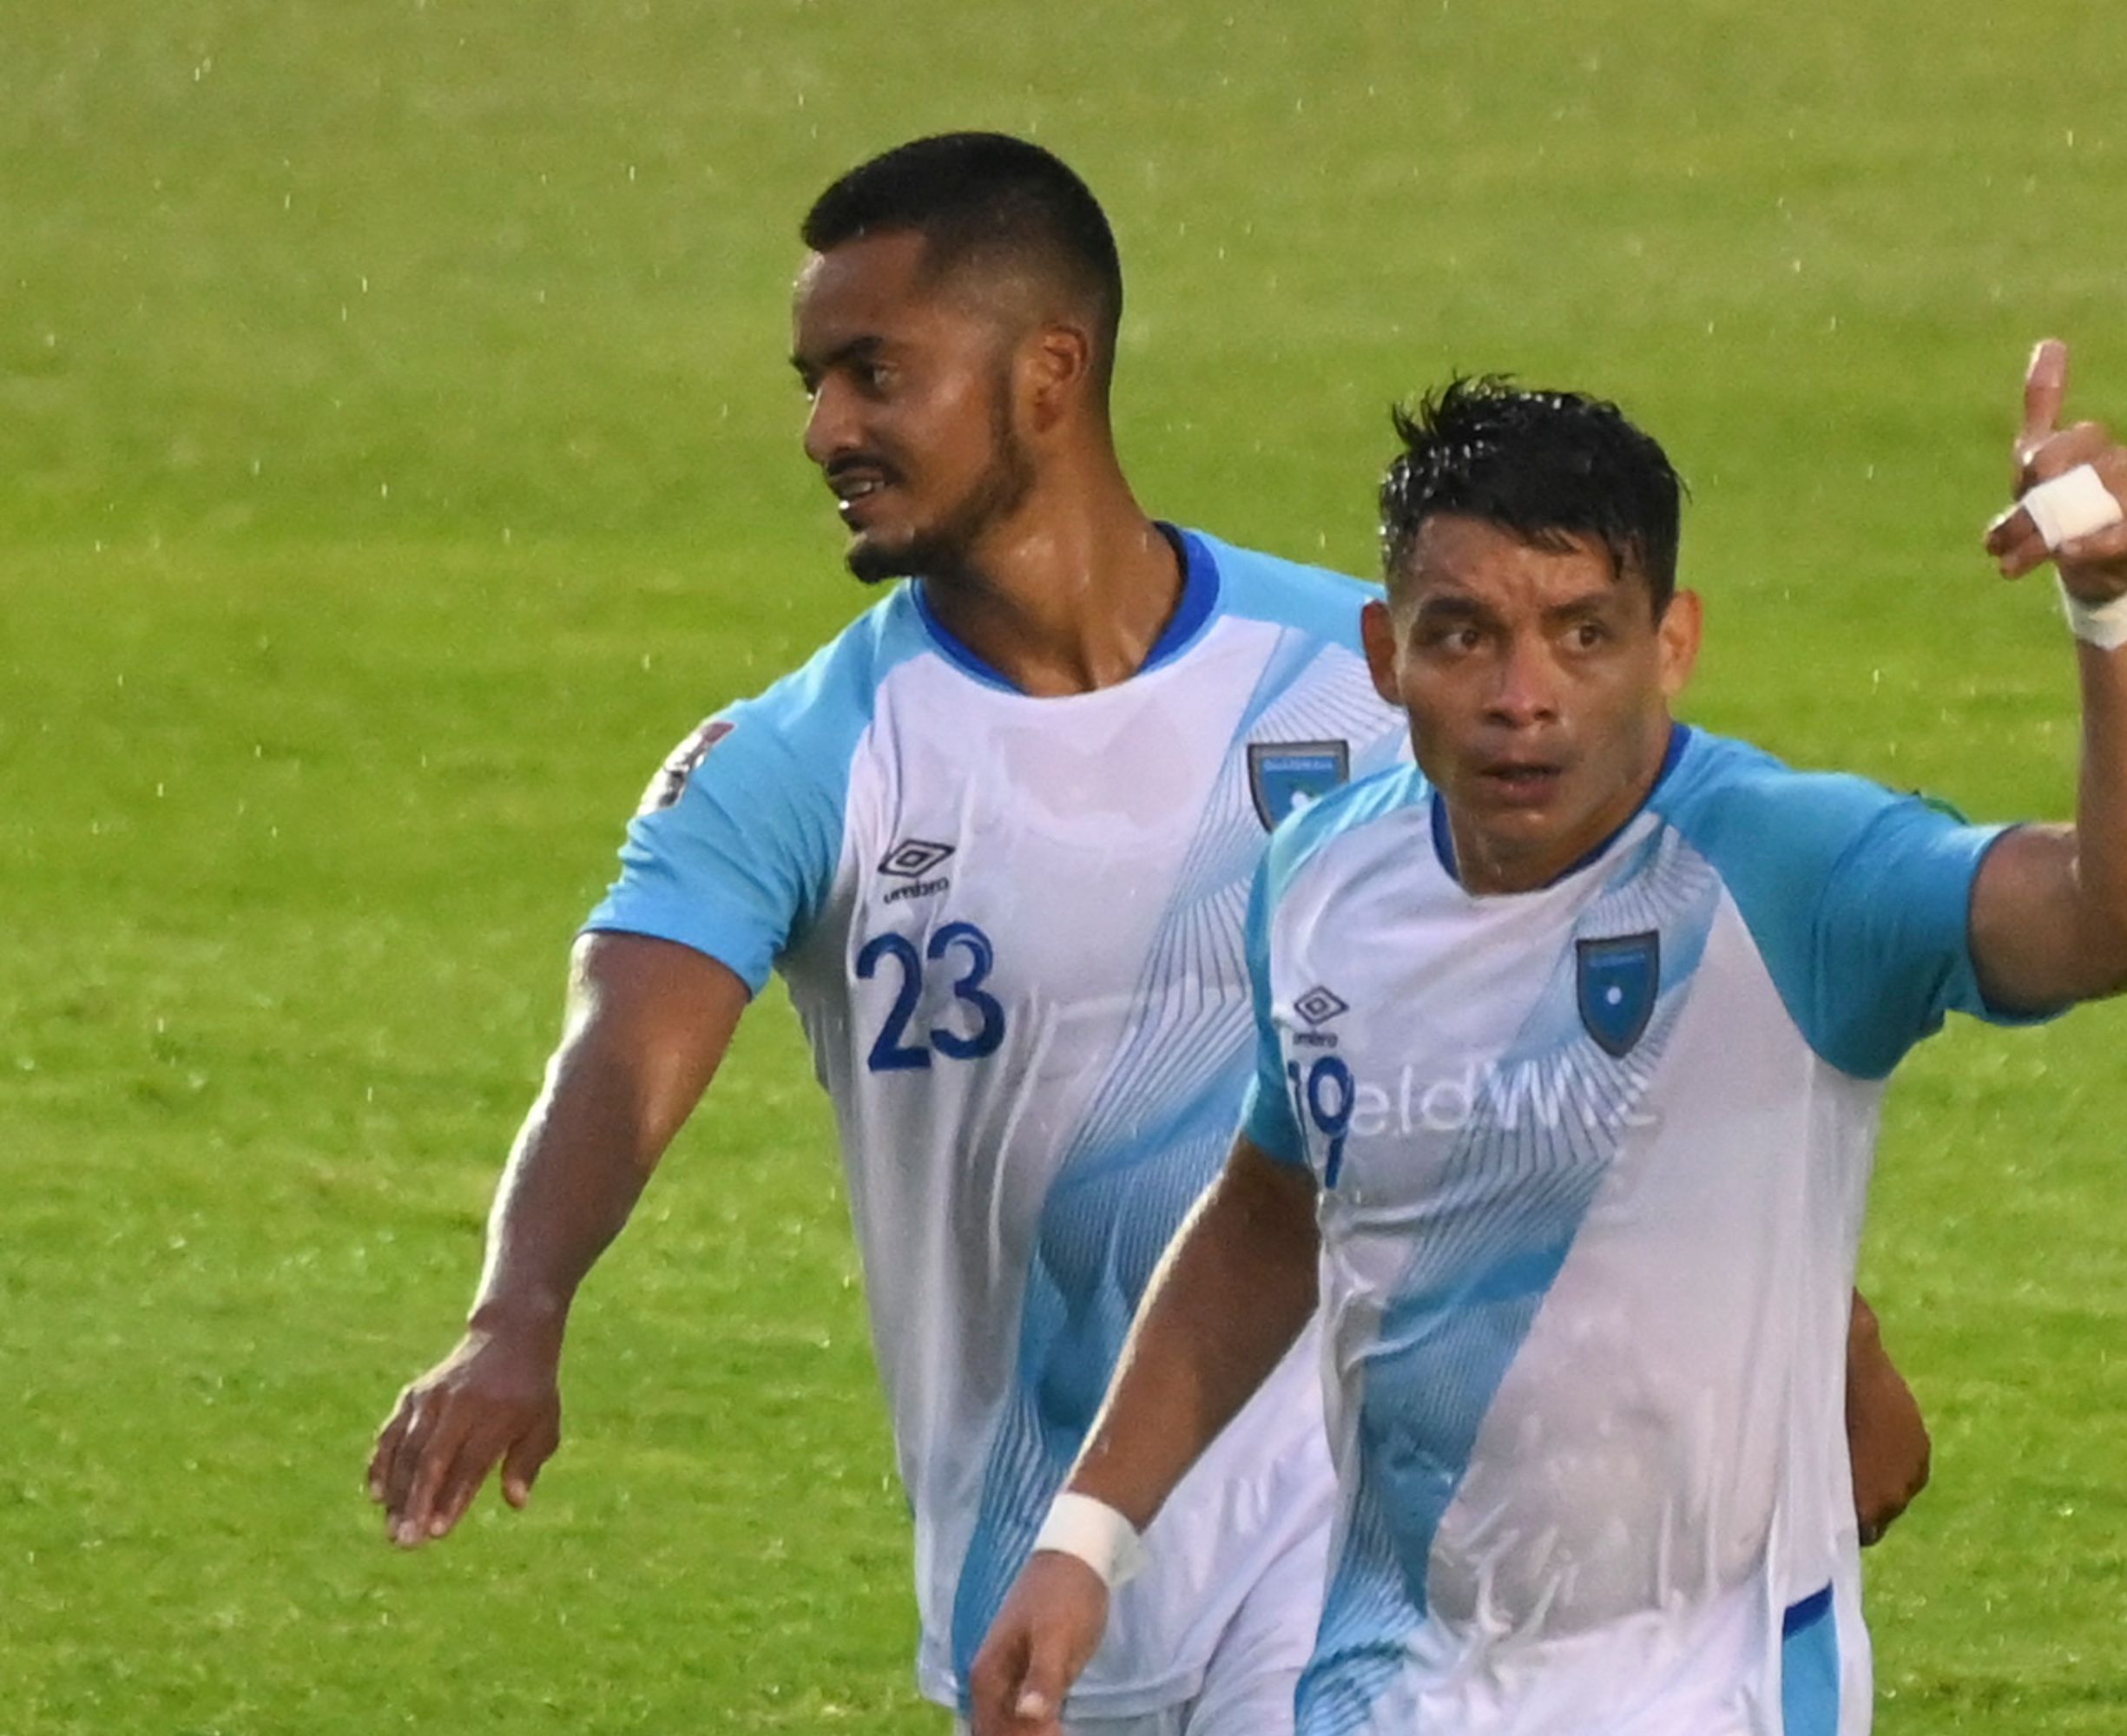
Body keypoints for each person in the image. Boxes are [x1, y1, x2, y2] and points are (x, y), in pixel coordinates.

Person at [364, 134, 1933, 1733]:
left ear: (1049, 372)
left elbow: (1670, 996)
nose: (826, 428)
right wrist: (519, 1309)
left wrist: (1828, 1352)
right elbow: (624, 1051)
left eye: (873, 374)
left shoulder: (1383, 676)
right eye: (815, 381)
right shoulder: (803, 759)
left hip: (1361, 1563)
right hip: (1037, 1572)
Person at [971, 354, 2127, 1736]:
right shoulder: (1323, 873)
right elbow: (1274, 1210)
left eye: (1581, 634)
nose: (1524, 696)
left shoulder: (1789, 870)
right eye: (1463, 637)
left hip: (1705, 1696)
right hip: (1389, 1685)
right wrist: (1085, 1539)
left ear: (1671, 644)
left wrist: (2110, 609)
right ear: (1386, 655)